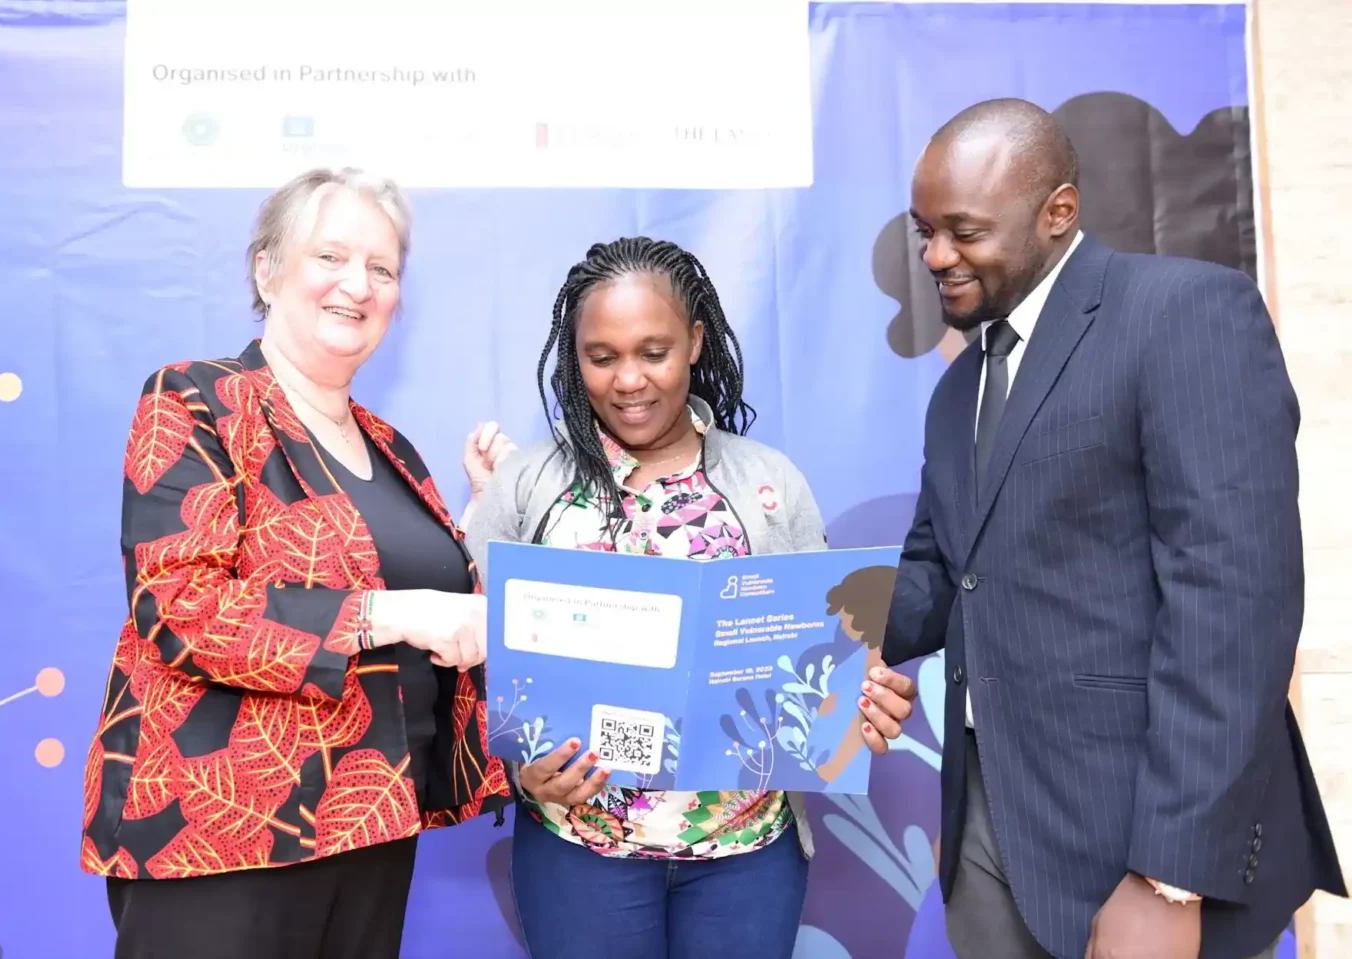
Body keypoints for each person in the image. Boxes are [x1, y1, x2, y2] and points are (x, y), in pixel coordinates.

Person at [877, 98, 1345, 959]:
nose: (936, 256)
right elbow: (938, 573)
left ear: (1058, 212)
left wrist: (1172, 873)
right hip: (989, 828)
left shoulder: (1184, 313)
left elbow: (1234, 606)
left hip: (1143, 838)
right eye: (924, 230)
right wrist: (790, 618)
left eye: (963, 230)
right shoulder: (958, 390)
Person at [78, 167, 512, 959]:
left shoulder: (393, 448)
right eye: (332, 257)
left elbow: (438, 618)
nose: (359, 284)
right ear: (266, 269)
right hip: (224, 835)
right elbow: (180, 607)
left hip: (373, 823)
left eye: (382, 268)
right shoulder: (196, 400)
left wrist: (476, 526)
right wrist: (396, 613)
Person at [462, 236, 915, 959]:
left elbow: (825, 657)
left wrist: (862, 694)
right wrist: (517, 770)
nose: (629, 379)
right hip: (579, 854)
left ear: (697, 341)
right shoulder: (528, 485)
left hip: (747, 859)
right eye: (601, 356)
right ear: (573, 357)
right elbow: (466, 655)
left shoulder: (770, 483)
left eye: (654, 350)